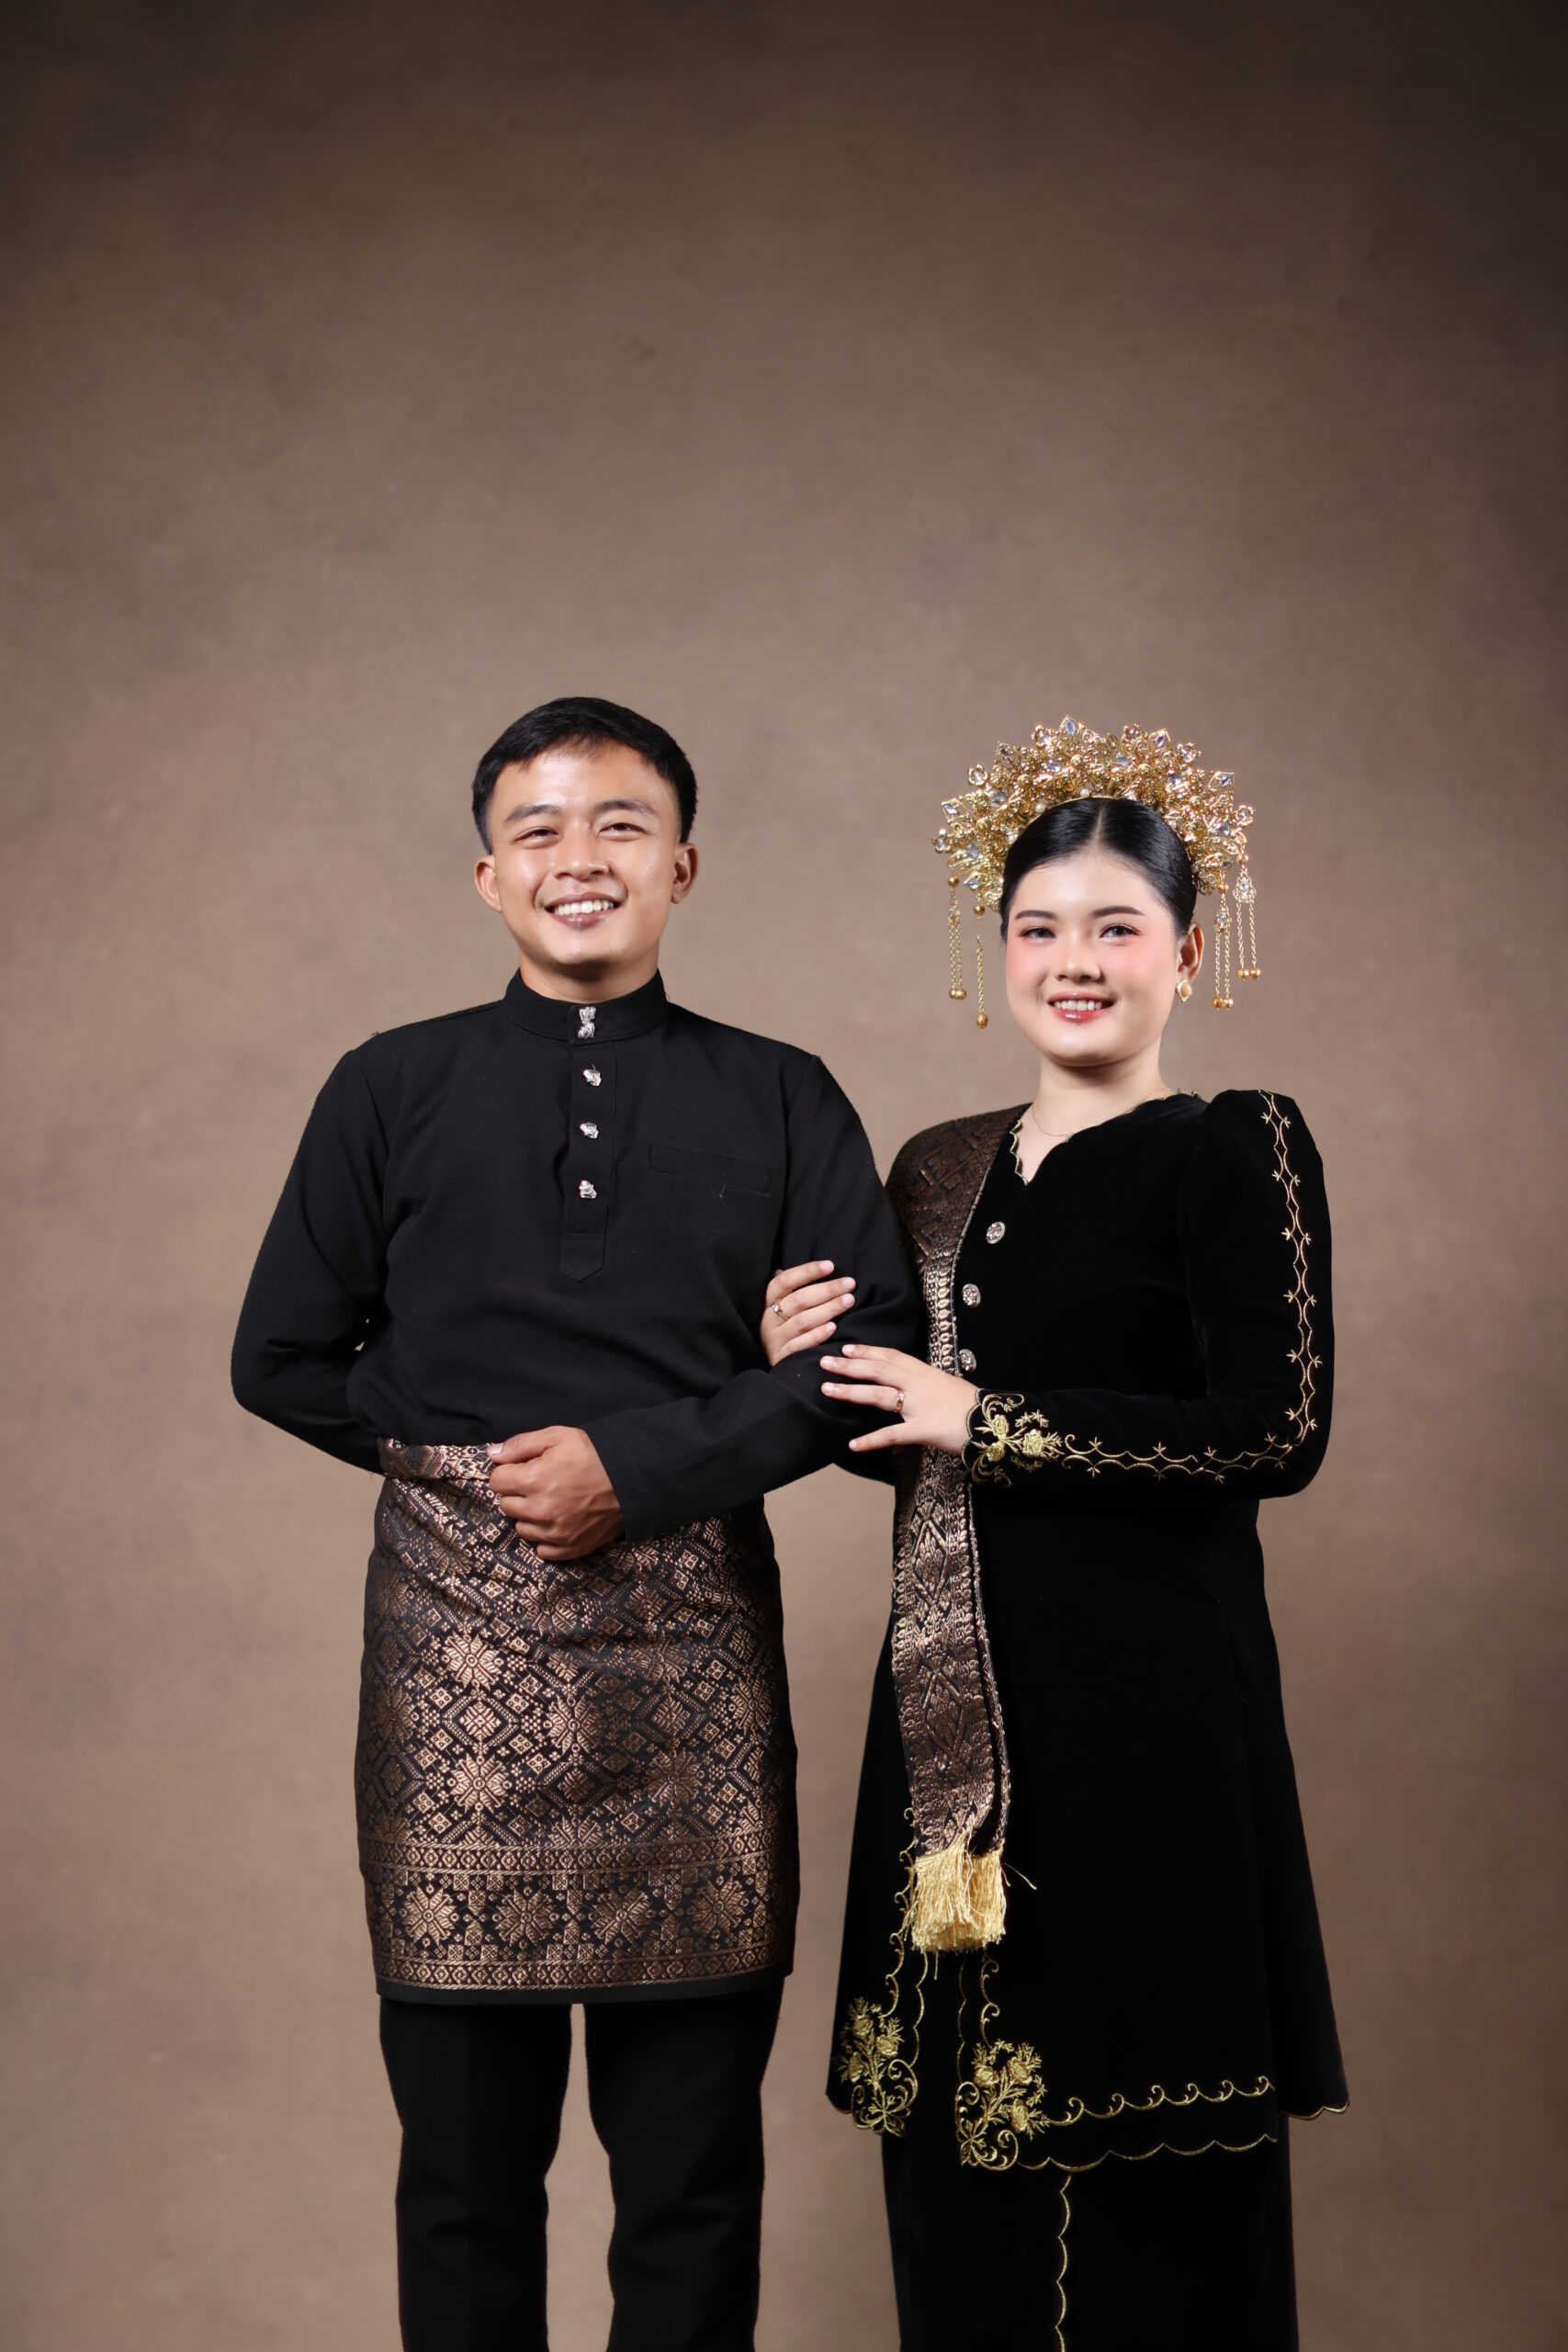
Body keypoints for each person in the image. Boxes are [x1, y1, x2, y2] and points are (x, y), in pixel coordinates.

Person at [231, 695, 919, 2352]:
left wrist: (650, 1458)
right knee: (466, 2180)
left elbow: (870, 1367)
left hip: (694, 1687)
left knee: (693, 2179)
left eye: (621, 824)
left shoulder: (781, 1094)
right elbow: (278, 1358)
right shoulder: (390, 1085)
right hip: (455, 1683)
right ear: (487, 876)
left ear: (684, 865)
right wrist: (482, 1472)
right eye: (536, 829)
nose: (579, 857)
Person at [762, 719, 1346, 2350]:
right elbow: (898, 1440)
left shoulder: (1232, 1146)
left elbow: (1274, 1431)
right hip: (954, 1727)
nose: (1073, 962)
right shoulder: (939, 1170)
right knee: (960, 2180)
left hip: (1147, 1725)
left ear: (1187, 953)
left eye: (1114, 929)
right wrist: (802, 1361)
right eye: (1038, 928)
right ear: (997, 950)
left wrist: (991, 1419)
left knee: (1151, 2177)